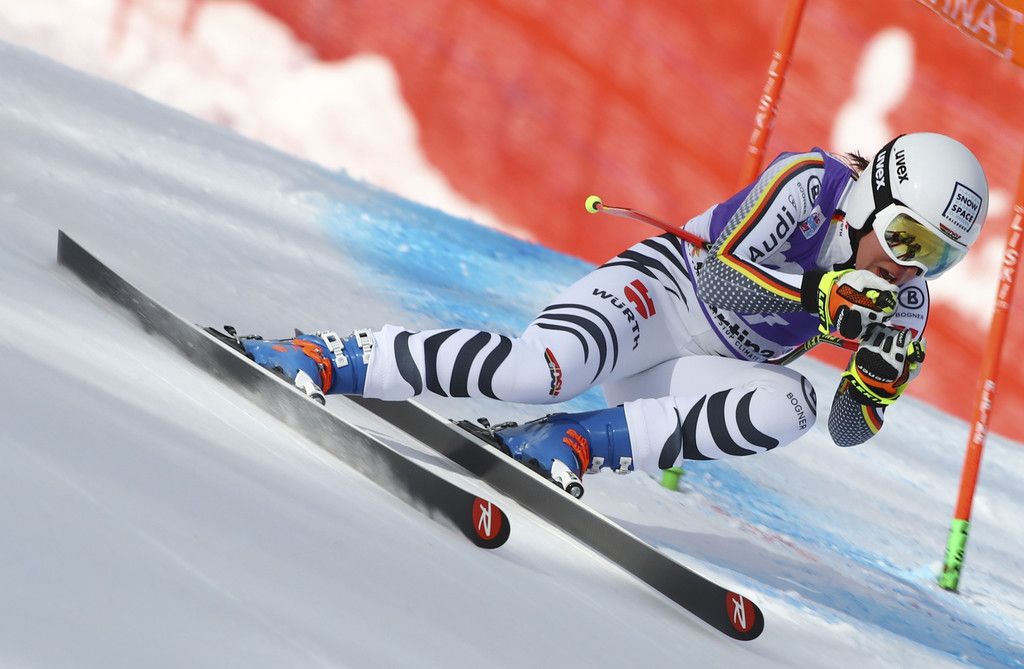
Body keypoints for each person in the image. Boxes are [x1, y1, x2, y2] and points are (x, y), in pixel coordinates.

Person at [221, 132, 988, 491]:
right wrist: (817, 297)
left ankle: (572, 442)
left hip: (700, 368)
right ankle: (332, 356)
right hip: (661, 295)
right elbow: (721, 282)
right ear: (870, 200)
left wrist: (876, 386)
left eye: (938, 257)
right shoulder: (809, 184)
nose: (909, 266)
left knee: (793, 405)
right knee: (540, 370)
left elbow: (847, 430)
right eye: (906, 237)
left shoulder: (905, 299)